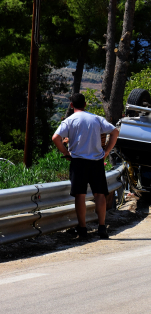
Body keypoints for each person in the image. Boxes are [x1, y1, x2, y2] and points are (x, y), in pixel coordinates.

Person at [51, 93, 119, 240]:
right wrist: (106, 152)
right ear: (85, 104)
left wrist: (66, 152)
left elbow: (55, 138)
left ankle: (82, 229)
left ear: (71, 105)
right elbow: (115, 131)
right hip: (96, 161)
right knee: (100, 194)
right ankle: (102, 227)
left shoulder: (70, 120)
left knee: (80, 195)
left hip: (78, 162)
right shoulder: (96, 118)